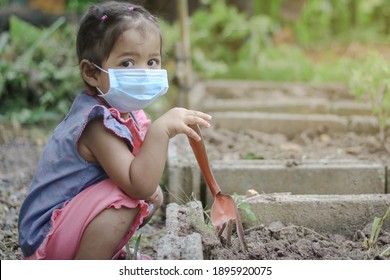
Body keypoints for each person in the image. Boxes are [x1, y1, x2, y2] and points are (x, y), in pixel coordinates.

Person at [18, 0, 211, 260]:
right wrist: (160, 130)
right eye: (128, 64)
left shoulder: (124, 112)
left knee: (149, 196)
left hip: (71, 223)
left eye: (153, 61)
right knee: (131, 195)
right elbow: (137, 185)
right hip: (48, 236)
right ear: (91, 72)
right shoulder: (96, 123)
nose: (144, 73)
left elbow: (145, 186)